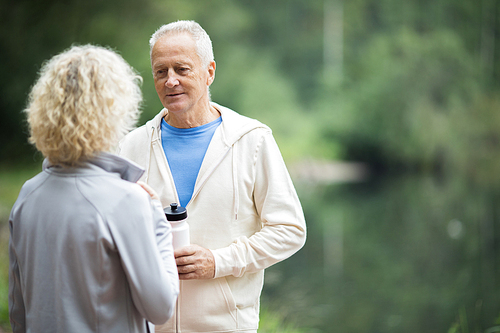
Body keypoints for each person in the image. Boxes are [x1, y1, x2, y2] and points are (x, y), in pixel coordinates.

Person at [118, 20, 307, 333]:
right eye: (161, 71)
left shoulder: (252, 140)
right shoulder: (131, 145)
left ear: (209, 72)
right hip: (148, 326)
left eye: (181, 69)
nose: (170, 81)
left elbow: (290, 230)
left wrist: (220, 262)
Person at [9, 45, 179, 333]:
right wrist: (157, 221)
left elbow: (18, 311)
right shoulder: (128, 201)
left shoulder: (28, 195)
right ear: (114, 109)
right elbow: (160, 307)